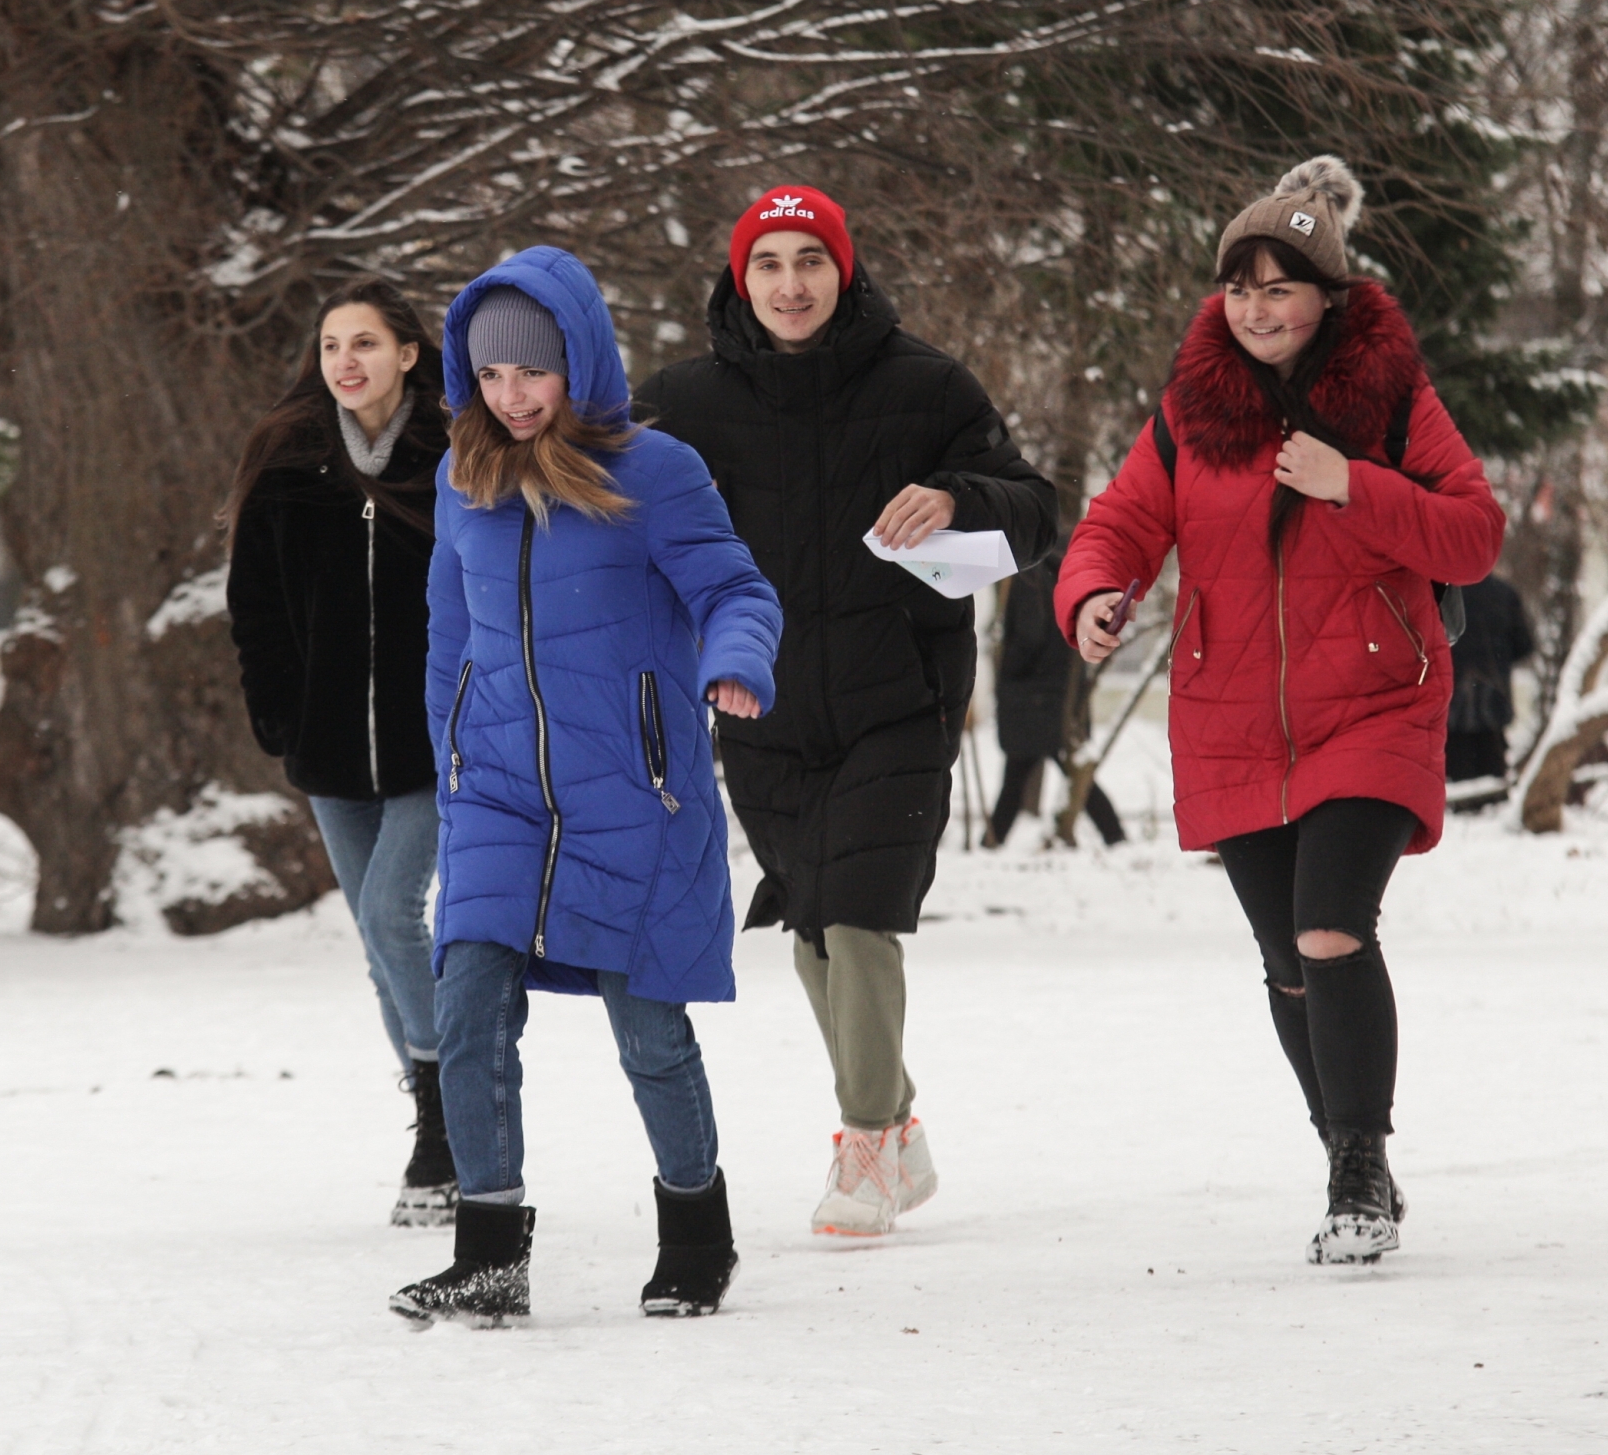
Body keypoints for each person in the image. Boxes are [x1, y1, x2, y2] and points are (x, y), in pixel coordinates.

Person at [1060, 157, 1505, 1264]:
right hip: (1229, 717)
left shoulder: (1390, 398)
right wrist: (1091, 597)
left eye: (1281, 286)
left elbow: (1473, 533)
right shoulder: (1189, 414)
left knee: (1328, 924)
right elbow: (1117, 524)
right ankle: (1347, 1151)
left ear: (1327, 297)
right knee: (1285, 960)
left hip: (1373, 707)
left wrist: (1353, 481)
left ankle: (1356, 1166)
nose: (1258, 307)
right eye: (1240, 287)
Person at [639, 184, 1057, 1237]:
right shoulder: (683, 402)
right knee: (810, 925)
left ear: (844, 271)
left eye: (809, 261)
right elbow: (607, 505)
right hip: (758, 702)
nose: (790, 283)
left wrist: (959, 495)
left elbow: (1033, 507)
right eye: (769, 262)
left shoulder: (922, 384)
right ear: (741, 277)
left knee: (859, 916)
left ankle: (866, 1141)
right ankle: (898, 1126)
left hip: (899, 698)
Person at [389, 247, 782, 1328]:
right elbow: (448, 637)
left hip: (633, 790)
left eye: (533, 372)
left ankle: (696, 1232)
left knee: (647, 1030)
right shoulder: (460, 475)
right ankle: (488, 1251)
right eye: (492, 377)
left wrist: (736, 661)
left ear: (578, 360)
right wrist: (453, 761)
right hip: (500, 793)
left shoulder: (655, 470)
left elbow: (733, 588)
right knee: (467, 1001)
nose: (511, 397)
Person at [224, 279, 458, 1227]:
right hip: (328, 746)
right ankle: (439, 1117)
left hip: (435, 744)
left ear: (408, 354)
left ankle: (444, 1128)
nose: (345, 362)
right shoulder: (288, 461)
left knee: (390, 911)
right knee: (376, 938)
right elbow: (255, 609)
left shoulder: (456, 454)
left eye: (365, 343)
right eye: (331, 346)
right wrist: (282, 721)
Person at [986, 543, 1125, 847]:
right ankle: (1115, 837)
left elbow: (1028, 635)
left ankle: (992, 842)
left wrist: (1005, 664)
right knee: (1055, 769)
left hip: (1034, 696)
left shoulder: (1027, 575)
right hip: (1057, 693)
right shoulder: (1058, 569)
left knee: (1021, 774)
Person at [1445, 573, 1535, 786]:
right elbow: (1524, 646)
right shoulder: (1503, 593)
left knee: (1455, 783)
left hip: (1451, 707)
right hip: (1493, 702)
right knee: (1494, 783)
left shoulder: (1440, 592)